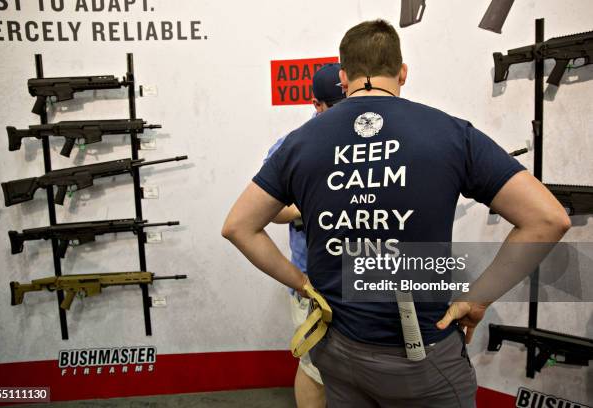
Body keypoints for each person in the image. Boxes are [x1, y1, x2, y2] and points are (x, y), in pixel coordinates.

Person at [222, 19, 570, 407]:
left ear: (343, 76)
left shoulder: (301, 142)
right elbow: (548, 218)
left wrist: (303, 283)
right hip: (420, 357)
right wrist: (478, 299)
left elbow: (239, 226)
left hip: (336, 349)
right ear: (403, 72)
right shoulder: (449, 133)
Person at [265, 63, 345, 408]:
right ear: (317, 104)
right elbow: (266, 212)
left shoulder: (373, 140)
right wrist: (306, 207)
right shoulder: (291, 147)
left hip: (365, 276)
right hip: (313, 283)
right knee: (315, 369)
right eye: (335, 107)